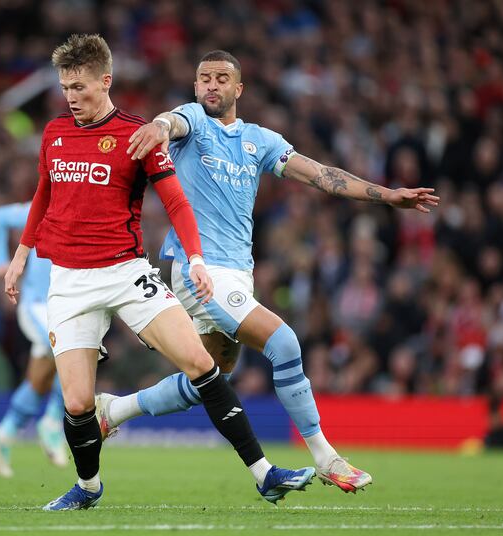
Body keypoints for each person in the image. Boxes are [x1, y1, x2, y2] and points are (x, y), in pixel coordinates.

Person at [96, 50, 439, 494]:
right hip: (200, 271)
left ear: (238, 88)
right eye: (204, 78)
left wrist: (387, 195)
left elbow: (321, 175)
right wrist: (158, 127)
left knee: (210, 378)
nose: (212, 85)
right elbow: (170, 122)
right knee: (284, 342)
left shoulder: (259, 140)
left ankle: (113, 411)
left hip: (239, 274)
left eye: (222, 78)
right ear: (195, 87)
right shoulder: (193, 122)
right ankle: (327, 458)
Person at [4, 34, 315, 511]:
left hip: (127, 273)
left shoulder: (138, 134)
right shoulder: (54, 133)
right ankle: (88, 488)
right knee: (78, 403)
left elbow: (176, 201)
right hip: (68, 280)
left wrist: (196, 258)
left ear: (105, 81)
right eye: (65, 88)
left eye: (79, 87)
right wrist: (22, 253)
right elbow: (44, 192)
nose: (71, 97)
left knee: (202, 365)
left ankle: (264, 473)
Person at [0, 202, 68, 478]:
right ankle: (53, 421)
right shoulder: (45, 206)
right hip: (37, 304)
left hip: (65, 306)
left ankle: (4, 433)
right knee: (70, 351)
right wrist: (1, 261)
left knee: (40, 379)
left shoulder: (88, 206)